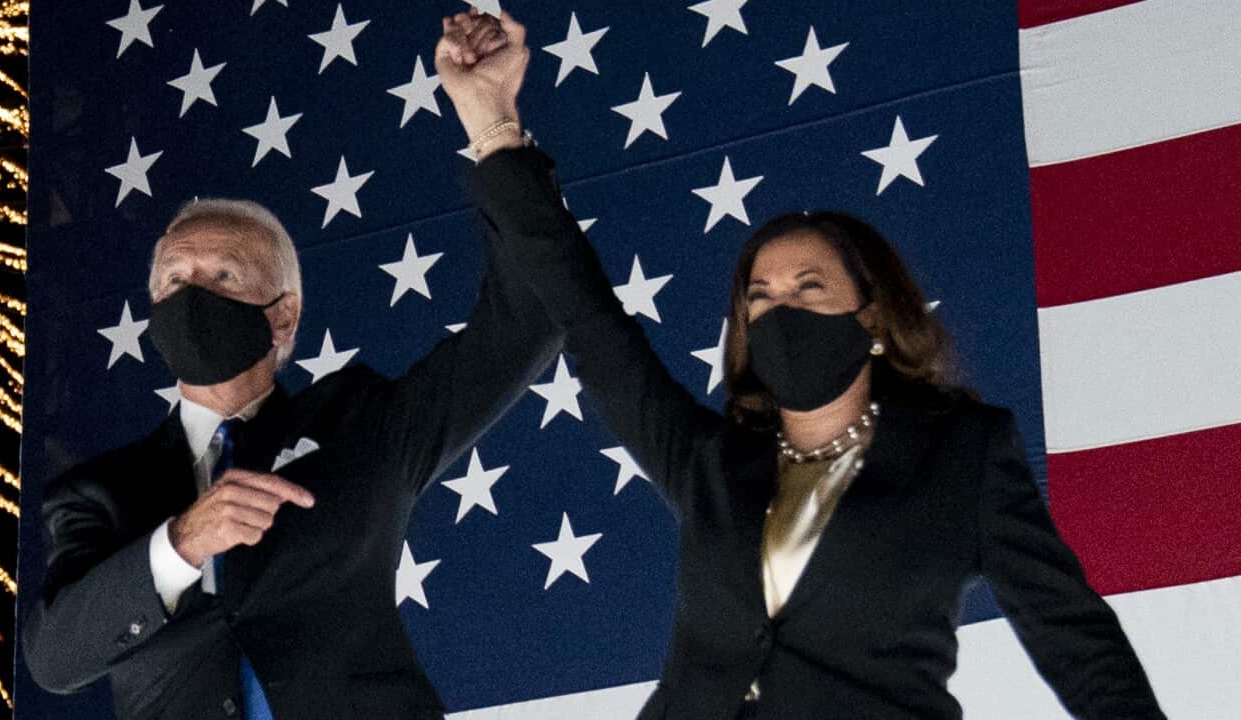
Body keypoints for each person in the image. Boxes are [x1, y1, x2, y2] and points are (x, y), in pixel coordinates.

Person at [440, 12, 1166, 720]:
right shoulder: (711, 465)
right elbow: (590, 318)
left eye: (808, 288)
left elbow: (1076, 641)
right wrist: (492, 122)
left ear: (872, 315)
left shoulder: (963, 455)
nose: (779, 309)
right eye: (760, 298)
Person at [22, 17, 557, 718]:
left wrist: (492, 126)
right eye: (174, 281)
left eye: (222, 276)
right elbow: (56, 659)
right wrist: (183, 541)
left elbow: (527, 321)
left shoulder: (361, 426)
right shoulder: (97, 495)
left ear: (283, 315)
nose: (193, 297)